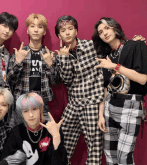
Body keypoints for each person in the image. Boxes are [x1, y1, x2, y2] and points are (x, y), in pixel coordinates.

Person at [92, 17, 147, 165]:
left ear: (114, 27)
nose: (104, 33)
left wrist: (114, 67)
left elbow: (142, 79)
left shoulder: (135, 45)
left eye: (107, 28)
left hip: (130, 107)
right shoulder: (106, 57)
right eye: (100, 32)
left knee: (124, 157)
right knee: (110, 156)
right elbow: (105, 89)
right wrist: (101, 115)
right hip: (109, 107)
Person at [55, 15, 105, 165]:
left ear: (76, 31)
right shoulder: (60, 55)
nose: (67, 33)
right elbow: (67, 81)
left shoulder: (92, 46)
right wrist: (63, 59)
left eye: (71, 29)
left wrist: (133, 41)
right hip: (74, 103)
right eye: (63, 30)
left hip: (92, 102)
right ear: (59, 35)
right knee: (64, 143)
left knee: (95, 147)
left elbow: (112, 47)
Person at [7, 13, 59, 127]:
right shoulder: (20, 53)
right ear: (27, 30)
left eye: (40, 27)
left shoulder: (49, 55)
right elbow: (10, 80)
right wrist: (18, 62)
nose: (36, 30)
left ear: (44, 31)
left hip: (41, 103)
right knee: (19, 138)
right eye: (32, 26)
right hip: (21, 102)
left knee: (44, 137)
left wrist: (50, 65)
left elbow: (55, 82)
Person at [0, 92, 68, 165]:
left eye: (34, 109)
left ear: (41, 109)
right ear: (21, 114)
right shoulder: (16, 132)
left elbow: (62, 163)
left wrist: (56, 137)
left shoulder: (52, 130)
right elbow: (5, 161)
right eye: (25, 111)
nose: (30, 115)